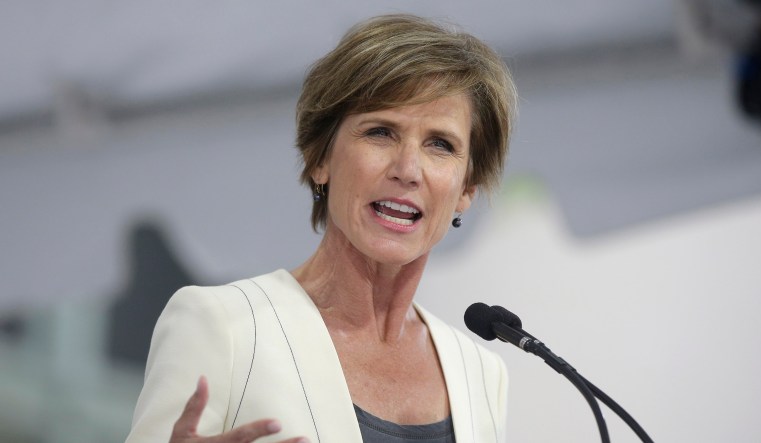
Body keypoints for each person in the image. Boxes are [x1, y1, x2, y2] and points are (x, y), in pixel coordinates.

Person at [126, 13, 517, 443]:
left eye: (440, 144)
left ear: (467, 189)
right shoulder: (222, 326)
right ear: (320, 159)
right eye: (381, 132)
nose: (408, 170)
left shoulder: (481, 371)